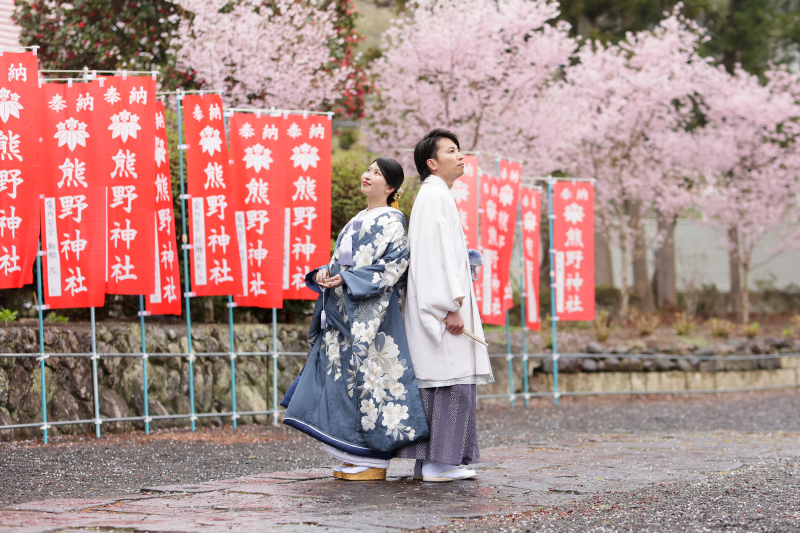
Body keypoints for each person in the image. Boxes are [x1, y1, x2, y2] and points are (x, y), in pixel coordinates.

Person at [282, 157, 430, 481]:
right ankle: (349, 452)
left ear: (391, 187)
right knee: (345, 384)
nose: (368, 175)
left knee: (372, 383)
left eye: (377, 173)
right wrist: (326, 273)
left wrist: (348, 280)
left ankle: (374, 457)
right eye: (369, 170)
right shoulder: (355, 221)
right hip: (344, 312)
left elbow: (395, 265)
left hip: (372, 316)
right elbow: (342, 263)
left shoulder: (393, 221)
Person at [395, 129, 494, 482]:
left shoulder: (436, 196)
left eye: (459, 149)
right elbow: (434, 258)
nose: (460, 155)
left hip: (441, 308)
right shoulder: (434, 197)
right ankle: (439, 464)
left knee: (444, 382)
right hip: (442, 311)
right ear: (432, 163)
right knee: (450, 382)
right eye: (451, 151)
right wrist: (448, 307)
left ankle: (434, 462)